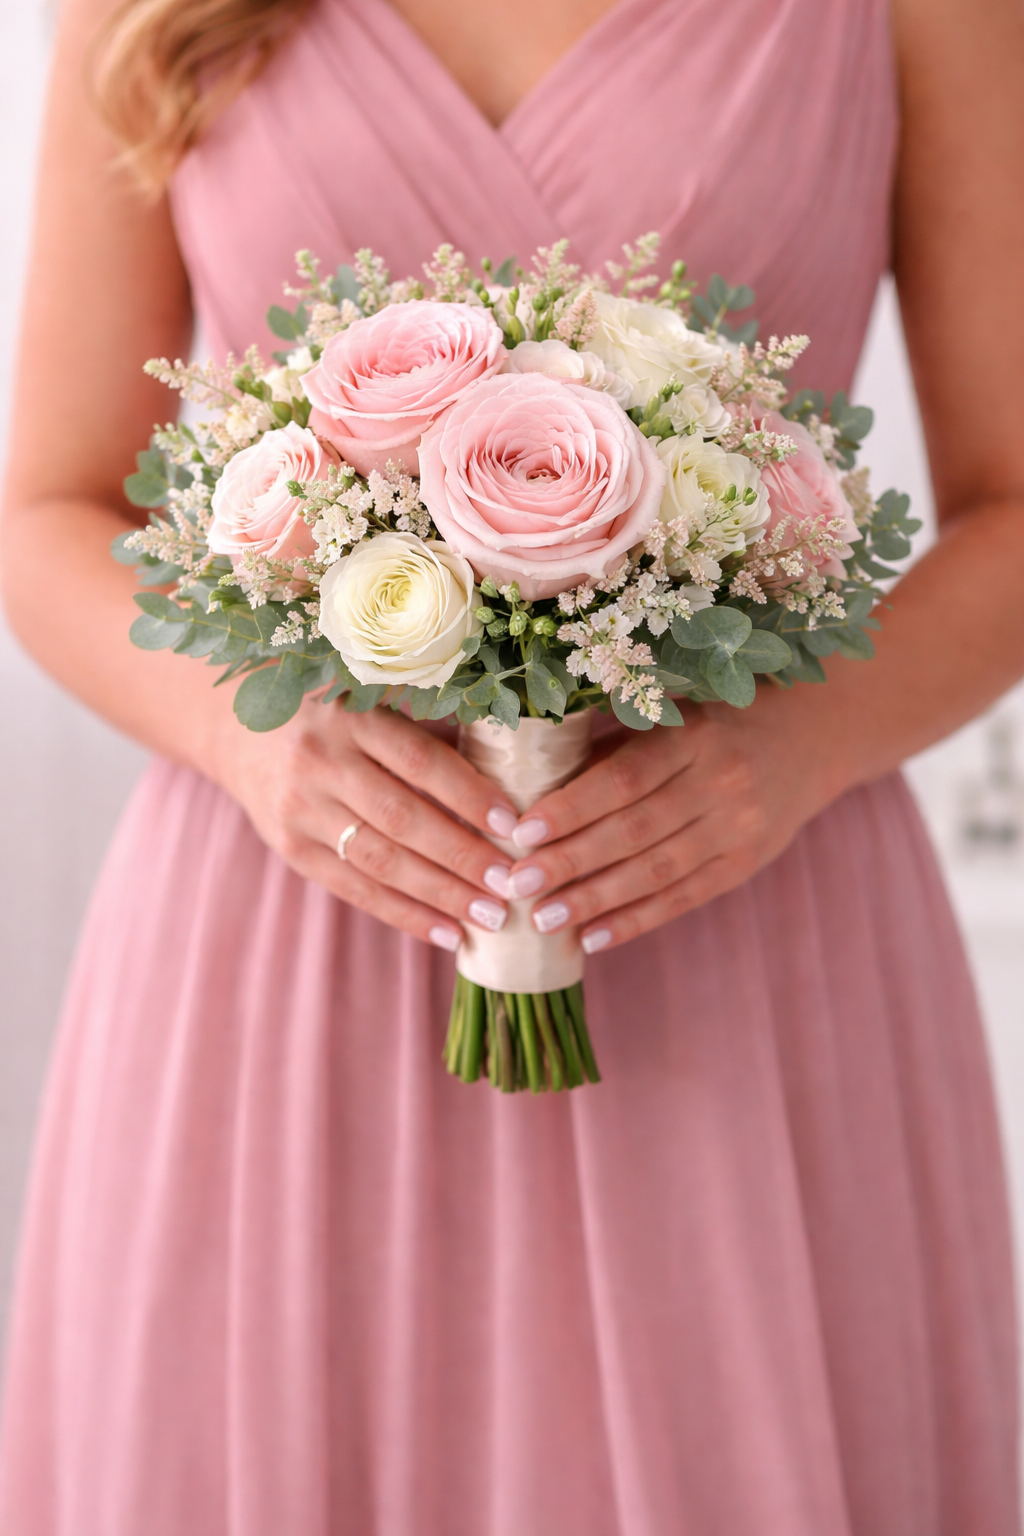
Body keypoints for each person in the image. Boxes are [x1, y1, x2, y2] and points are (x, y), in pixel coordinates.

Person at [1, 0, 1022, 1528]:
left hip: (741, 907)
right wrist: (245, 737)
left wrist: (800, 744)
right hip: (297, 911)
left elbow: (1013, 506)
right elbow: (46, 510)